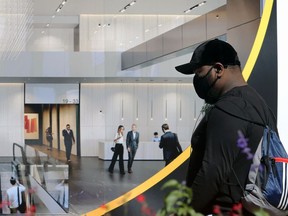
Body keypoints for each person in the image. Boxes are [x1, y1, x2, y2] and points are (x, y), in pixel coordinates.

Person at [175, 39, 277, 215]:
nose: (196, 79)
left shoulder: (228, 108)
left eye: (199, 72)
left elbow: (212, 172)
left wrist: (182, 212)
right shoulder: (260, 105)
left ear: (218, 69)